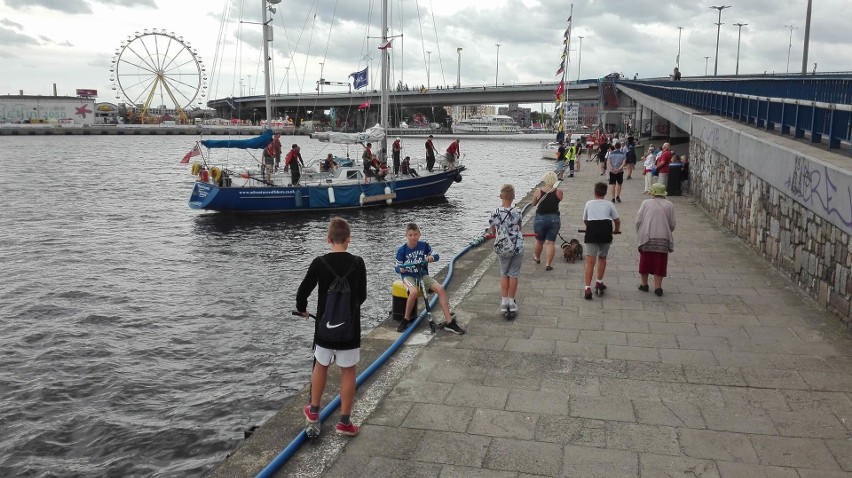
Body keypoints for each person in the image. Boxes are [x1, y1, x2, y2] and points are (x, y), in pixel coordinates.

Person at [296, 217, 367, 437]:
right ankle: (344, 422)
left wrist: (303, 309)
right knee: (348, 372)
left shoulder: (319, 262)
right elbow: (361, 297)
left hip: (324, 329)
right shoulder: (358, 262)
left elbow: (302, 292)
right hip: (349, 329)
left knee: (321, 365)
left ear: (328, 239)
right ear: (349, 239)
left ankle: (314, 411)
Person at [395, 223, 466, 334]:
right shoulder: (402, 251)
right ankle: (406, 319)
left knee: (440, 289)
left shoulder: (424, 246)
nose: (413, 237)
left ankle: (449, 322)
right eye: (410, 235)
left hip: (422, 275)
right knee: (413, 292)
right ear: (406, 236)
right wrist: (401, 269)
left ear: (419, 234)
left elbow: (436, 256)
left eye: (415, 234)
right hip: (408, 276)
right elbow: (397, 267)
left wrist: (430, 258)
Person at [488, 184, 524, 317]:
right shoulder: (518, 211)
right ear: (513, 197)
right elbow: (519, 227)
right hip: (517, 246)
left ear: (501, 196)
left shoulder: (496, 212)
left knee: (504, 273)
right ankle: (511, 302)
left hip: (503, 247)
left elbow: (493, 228)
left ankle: (504, 302)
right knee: (513, 274)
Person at [581, 182, 621, 300]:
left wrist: (589, 227)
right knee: (602, 258)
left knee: (590, 260)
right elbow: (617, 221)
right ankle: (599, 281)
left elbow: (585, 219)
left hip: (592, 232)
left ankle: (587, 287)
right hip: (605, 232)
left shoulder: (589, 203)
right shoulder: (609, 204)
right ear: (605, 192)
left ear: (595, 192)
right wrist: (616, 230)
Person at [636, 183, 676, 296]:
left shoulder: (646, 203)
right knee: (660, 262)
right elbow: (672, 224)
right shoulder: (670, 205)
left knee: (645, 261)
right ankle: (658, 287)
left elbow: (638, 220)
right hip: (663, 238)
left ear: (652, 193)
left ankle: (644, 284)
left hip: (647, 237)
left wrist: (640, 232)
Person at [531, 171, 564, 271]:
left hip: (540, 218)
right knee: (550, 242)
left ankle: (537, 257)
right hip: (554, 218)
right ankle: (548, 264)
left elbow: (533, 204)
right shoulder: (559, 192)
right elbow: (559, 200)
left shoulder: (538, 192)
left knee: (539, 241)